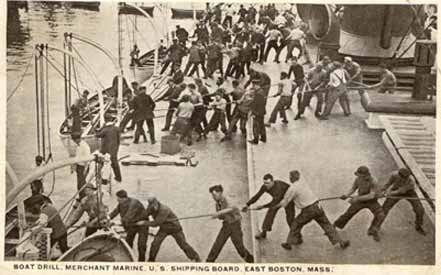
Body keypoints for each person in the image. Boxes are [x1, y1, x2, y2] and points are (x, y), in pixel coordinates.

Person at [275, 170, 351, 250]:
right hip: (317, 206)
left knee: (296, 224)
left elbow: (285, 201)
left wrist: (274, 207)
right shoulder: (303, 183)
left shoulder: (293, 188)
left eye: (290, 176)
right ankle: (341, 242)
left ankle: (288, 243)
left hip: (308, 210)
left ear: (291, 178)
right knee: (327, 225)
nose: (289, 178)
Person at [135, 197, 201, 262]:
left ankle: (195, 257)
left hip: (174, 228)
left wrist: (144, 223)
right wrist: (135, 219)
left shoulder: (164, 209)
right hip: (164, 228)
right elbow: (145, 214)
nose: (153, 207)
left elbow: (156, 223)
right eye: (151, 205)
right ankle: (151, 260)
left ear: (156, 202)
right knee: (155, 244)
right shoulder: (151, 207)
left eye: (154, 205)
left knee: (182, 244)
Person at [333, 166, 386, 242]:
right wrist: (346, 195)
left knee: (381, 215)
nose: (357, 176)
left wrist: (357, 198)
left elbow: (371, 196)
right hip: (360, 200)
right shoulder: (358, 179)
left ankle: (373, 230)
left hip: (371, 201)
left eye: (359, 174)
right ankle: (336, 225)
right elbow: (353, 188)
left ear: (364, 175)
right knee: (348, 213)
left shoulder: (373, 181)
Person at [206, 185, 254, 263]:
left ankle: (251, 261)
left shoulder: (228, 199)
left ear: (220, 193)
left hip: (235, 225)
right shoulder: (217, 204)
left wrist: (219, 213)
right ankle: (209, 262)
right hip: (226, 225)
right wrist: (218, 215)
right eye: (212, 196)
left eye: (214, 195)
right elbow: (221, 217)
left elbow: (232, 208)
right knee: (218, 244)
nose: (213, 197)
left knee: (240, 248)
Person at [243, 174, 294, 240]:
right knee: (270, 214)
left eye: (268, 183)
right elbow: (257, 196)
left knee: (290, 218)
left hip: (289, 200)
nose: (266, 185)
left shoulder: (278, 188)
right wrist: (247, 204)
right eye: (264, 183)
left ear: (273, 182)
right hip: (277, 199)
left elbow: (274, 203)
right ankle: (264, 232)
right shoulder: (264, 186)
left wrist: (262, 206)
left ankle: (296, 235)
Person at [380, 168, 426, 235]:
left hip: (409, 192)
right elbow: (388, 184)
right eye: (403, 178)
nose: (405, 179)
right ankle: (375, 227)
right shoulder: (394, 175)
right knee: (385, 208)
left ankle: (418, 225)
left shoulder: (411, 182)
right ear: (399, 175)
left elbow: (400, 191)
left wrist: (387, 194)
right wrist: (382, 191)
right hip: (396, 189)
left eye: (406, 178)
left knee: (420, 209)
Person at [109, 190, 149, 262]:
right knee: (128, 242)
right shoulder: (121, 203)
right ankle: (129, 259)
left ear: (124, 198)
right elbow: (115, 211)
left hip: (142, 224)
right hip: (133, 224)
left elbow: (128, 217)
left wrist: (115, 223)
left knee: (141, 245)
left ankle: (141, 262)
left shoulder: (134, 203)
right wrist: (108, 218)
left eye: (118, 199)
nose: (117, 200)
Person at [95, 117, 121, 183]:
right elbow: (118, 140)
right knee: (115, 163)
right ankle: (118, 177)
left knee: (102, 163)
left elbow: (98, 135)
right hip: (114, 149)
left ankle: (101, 178)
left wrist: (97, 130)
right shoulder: (116, 128)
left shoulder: (105, 129)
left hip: (105, 150)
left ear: (105, 120)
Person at [72, 133, 91, 198]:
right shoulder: (78, 146)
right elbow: (77, 156)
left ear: (78, 139)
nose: (74, 142)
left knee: (82, 184)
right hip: (79, 166)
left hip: (83, 167)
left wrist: (85, 169)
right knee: (79, 184)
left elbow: (87, 159)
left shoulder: (85, 146)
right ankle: (81, 196)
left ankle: (83, 197)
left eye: (75, 140)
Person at [248, 79, 266, 145]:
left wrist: (253, 112)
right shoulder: (261, 91)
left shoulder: (258, 93)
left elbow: (256, 104)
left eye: (253, 85)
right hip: (262, 111)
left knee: (255, 126)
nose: (253, 86)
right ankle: (263, 138)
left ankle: (255, 140)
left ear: (256, 85)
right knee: (261, 125)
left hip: (257, 112)